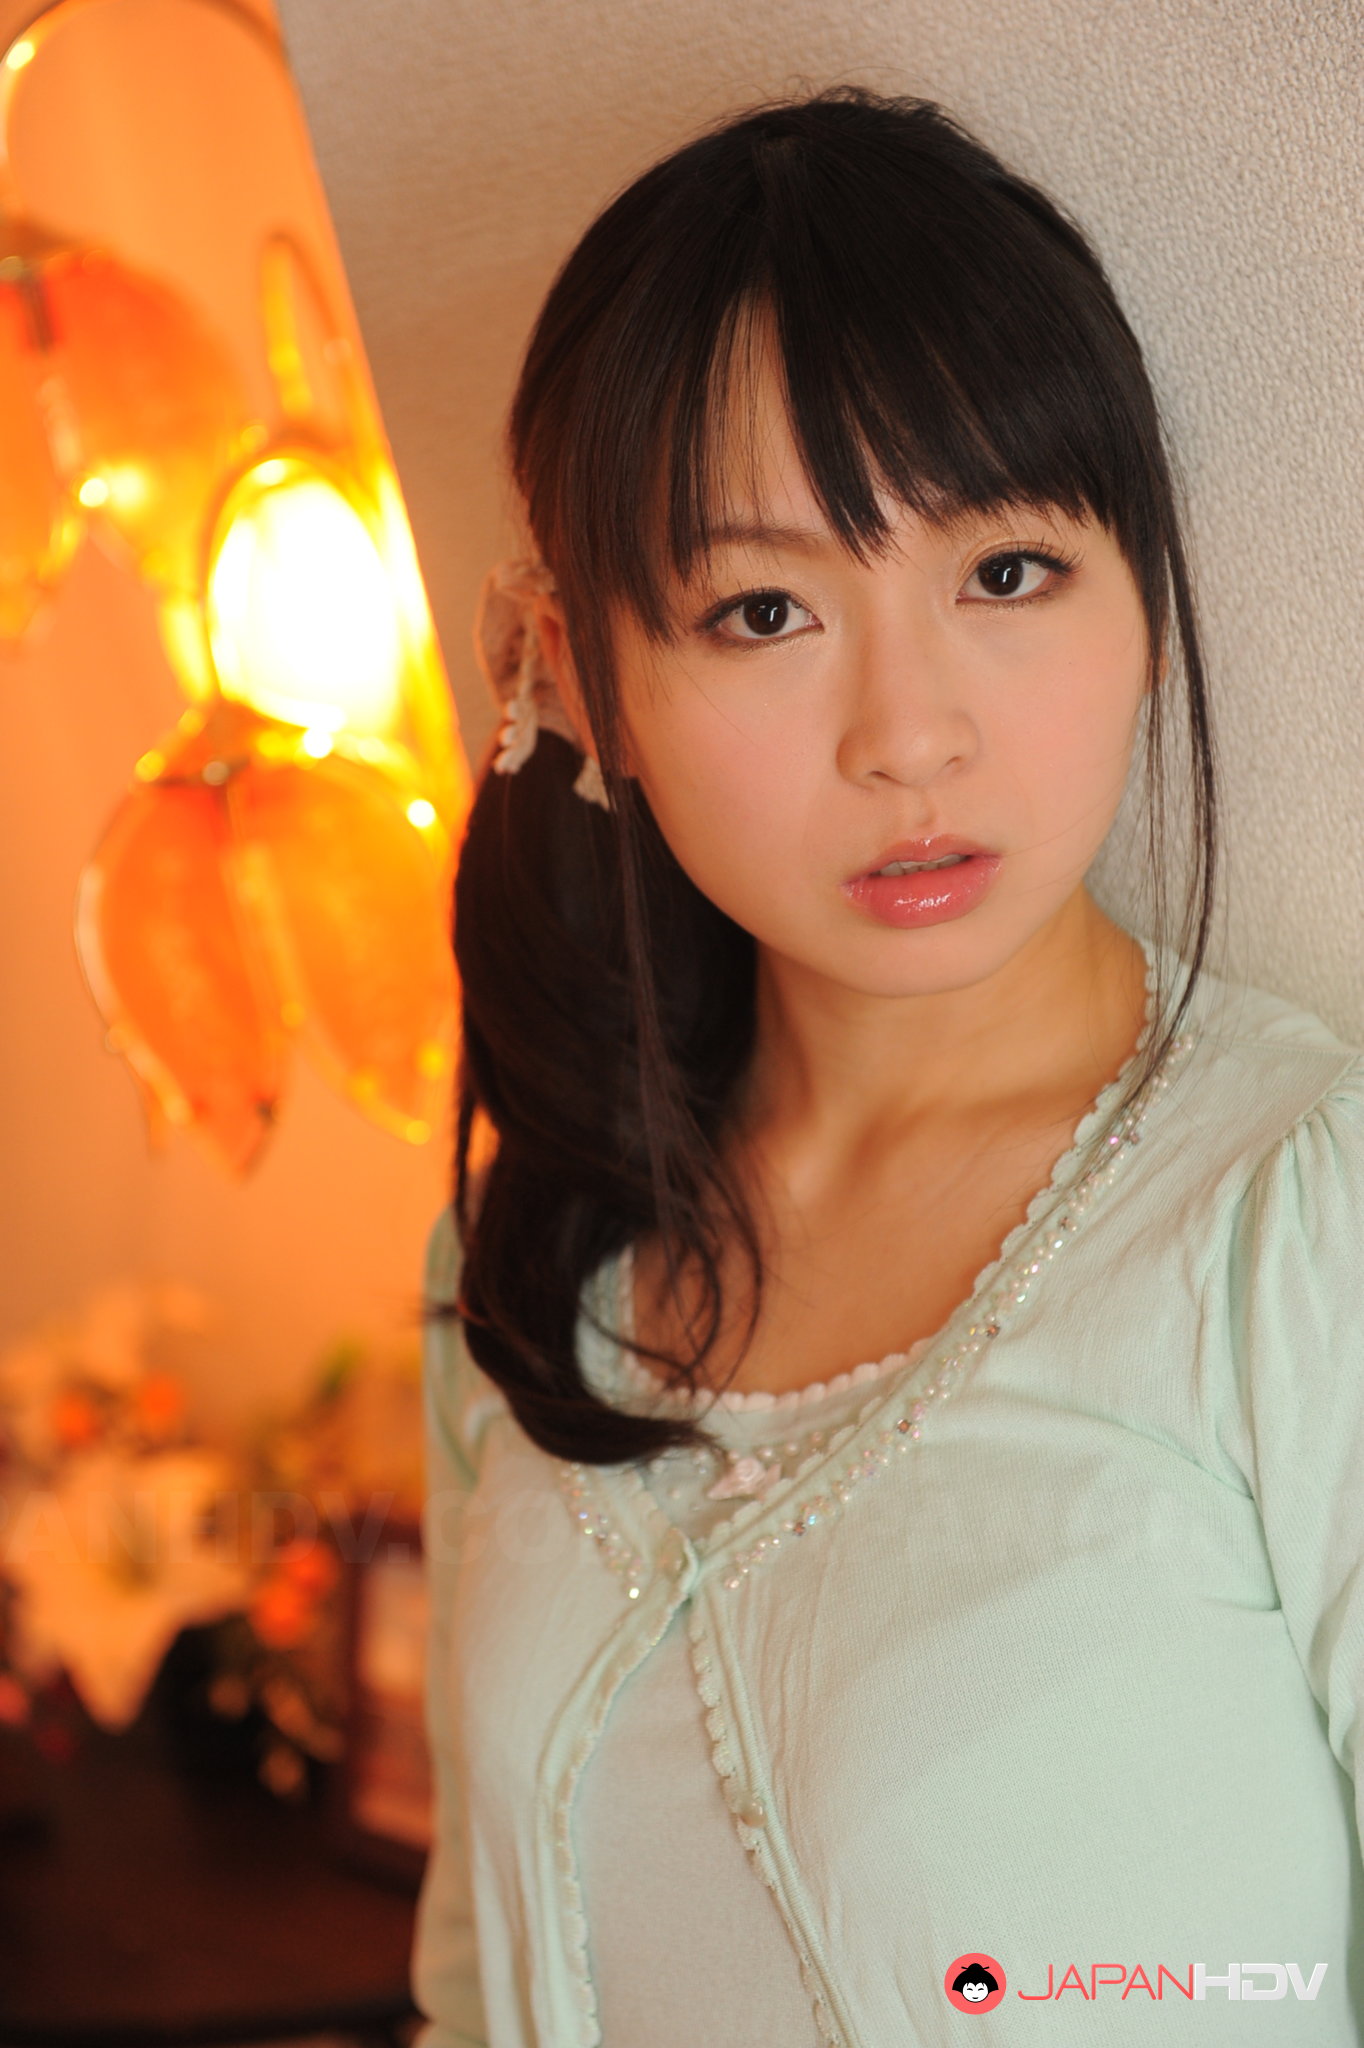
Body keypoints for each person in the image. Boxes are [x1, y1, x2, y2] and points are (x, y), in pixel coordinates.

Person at [412, 88, 1364, 2047]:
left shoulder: (1296, 1223)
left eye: (1004, 573)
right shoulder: (537, 1246)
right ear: (577, 676)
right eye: (764, 610)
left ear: (1144, 598)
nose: (908, 735)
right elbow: (466, 1976)